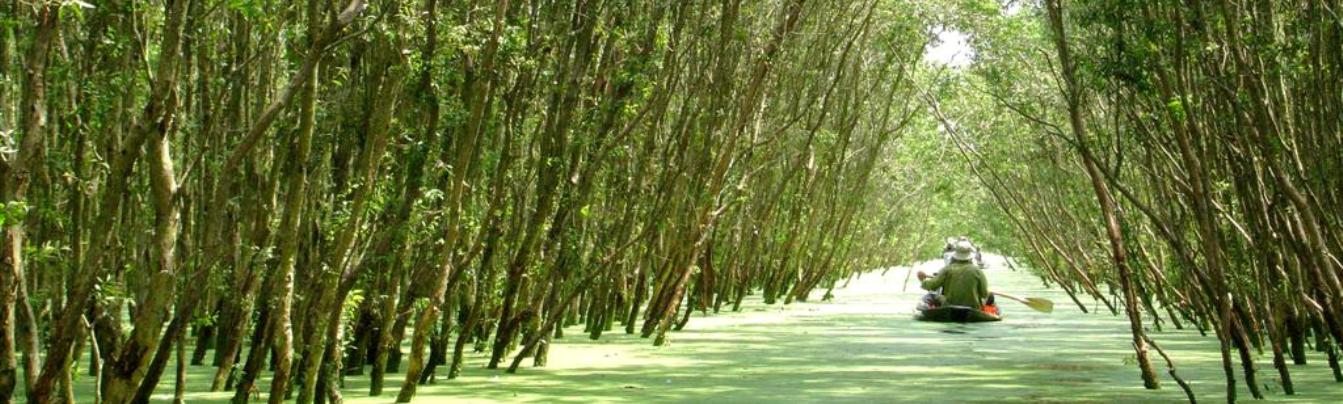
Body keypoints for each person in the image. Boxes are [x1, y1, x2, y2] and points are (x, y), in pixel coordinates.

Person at [918, 240, 995, 313]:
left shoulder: (947, 269)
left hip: (948, 305)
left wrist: (923, 280)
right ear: (970, 256)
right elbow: (984, 294)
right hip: (973, 307)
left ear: (955, 255)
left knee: (932, 296)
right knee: (990, 296)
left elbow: (932, 286)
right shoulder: (978, 271)